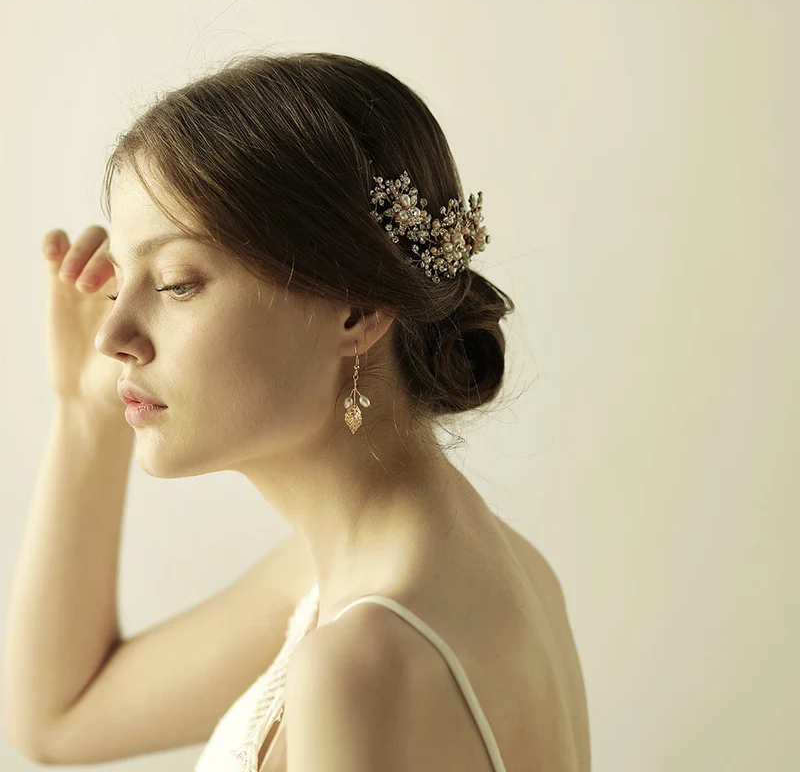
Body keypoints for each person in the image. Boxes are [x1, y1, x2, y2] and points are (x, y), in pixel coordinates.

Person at [6, 52, 590, 771]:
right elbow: (57, 721)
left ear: (357, 308)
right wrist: (82, 411)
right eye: (121, 280)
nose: (111, 334)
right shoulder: (417, 571)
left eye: (177, 282)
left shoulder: (363, 665)